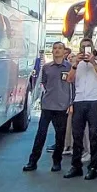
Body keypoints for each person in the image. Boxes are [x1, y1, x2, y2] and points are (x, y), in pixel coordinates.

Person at [23, 42, 73, 172]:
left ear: (64, 51)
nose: (57, 50)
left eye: (60, 48)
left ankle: (57, 162)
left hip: (62, 106)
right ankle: (32, 161)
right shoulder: (46, 67)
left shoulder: (70, 67)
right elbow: (43, 82)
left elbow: (73, 86)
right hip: (47, 105)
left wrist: (71, 103)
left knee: (60, 136)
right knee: (41, 134)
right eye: (55, 48)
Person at [65, 40, 97, 180]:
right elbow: (69, 79)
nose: (85, 49)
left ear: (92, 48)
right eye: (83, 47)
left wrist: (93, 63)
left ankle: (93, 167)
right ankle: (76, 166)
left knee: (94, 135)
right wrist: (75, 64)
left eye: (87, 46)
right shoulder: (77, 64)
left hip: (95, 101)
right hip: (79, 100)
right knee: (77, 135)